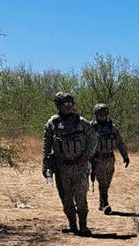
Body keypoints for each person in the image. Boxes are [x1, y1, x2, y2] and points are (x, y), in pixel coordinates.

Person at [42, 92, 99, 236]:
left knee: (81, 197)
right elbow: (46, 142)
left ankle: (83, 226)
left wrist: (86, 156)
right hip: (61, 167)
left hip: (79, 166)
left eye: (70, 103)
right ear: (58, 106)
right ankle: (72, 226)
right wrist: (45, 163)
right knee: (66, 199)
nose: (68, 106)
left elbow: (93, 139)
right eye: (65, 104)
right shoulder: (53, 123)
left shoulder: (81, 122)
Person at [90, 103, 130, 214]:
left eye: (104, 113)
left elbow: (120, 142)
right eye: (100, 114)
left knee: (107, 183)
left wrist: (125, 156)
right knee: (102, 182)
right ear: (96, 114)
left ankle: (101, 203)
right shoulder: (92, 128)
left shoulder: (112, 128)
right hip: (97, 159)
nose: (102, 116)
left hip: (110, 159)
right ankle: (105, 203)